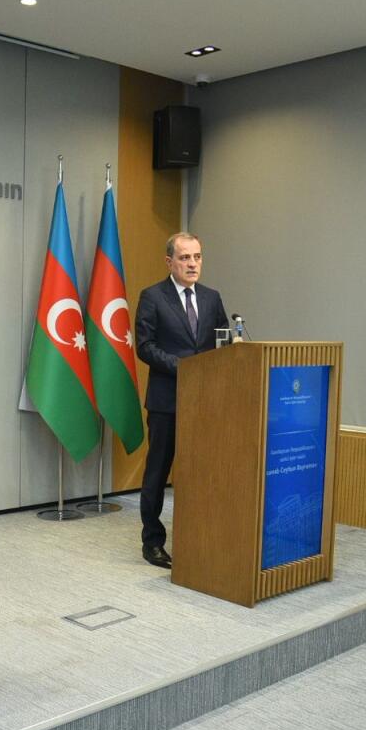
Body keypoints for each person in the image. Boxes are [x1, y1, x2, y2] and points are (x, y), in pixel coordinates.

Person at [134, 231, 228, 569]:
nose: (192, 264)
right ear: (169, 262)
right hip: (167, 401)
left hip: (204, 402)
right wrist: (185, 368)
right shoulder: (152, 297)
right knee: (158, 472)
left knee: (202, 471)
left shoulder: (212, 298)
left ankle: (198, 535)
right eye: (185, 257)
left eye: (197, 257)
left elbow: (223, 343)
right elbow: (145, 347)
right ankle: (152, 542)